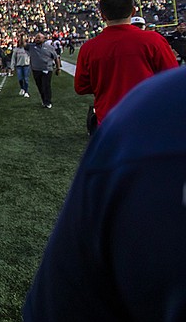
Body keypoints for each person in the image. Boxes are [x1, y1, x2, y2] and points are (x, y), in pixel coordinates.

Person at [23, 66, 186, 321]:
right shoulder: (159, 103)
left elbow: (81, 86)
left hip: (118, 121)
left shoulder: (153, 111)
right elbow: (169, 67)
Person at [74, 0, 177, 125]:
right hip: (150, 117)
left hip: (110, 120)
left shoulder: (89, 48)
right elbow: (172, 78)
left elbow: (81, 87)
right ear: (133, 12)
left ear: (102, 16)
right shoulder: (154, 40)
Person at [27, 32, 60, 109]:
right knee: (40, 86)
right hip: (36, 69)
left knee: (46, 85)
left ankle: (48, 101)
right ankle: (44, 100)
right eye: (36, 37)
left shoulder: (49, 47)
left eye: (39, 38)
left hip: (47, 69)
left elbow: (56, 58)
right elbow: (22, 44)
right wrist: (22, 36)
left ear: (44, 39)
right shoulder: (31, 46)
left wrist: (58, 68)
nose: (37, 39)